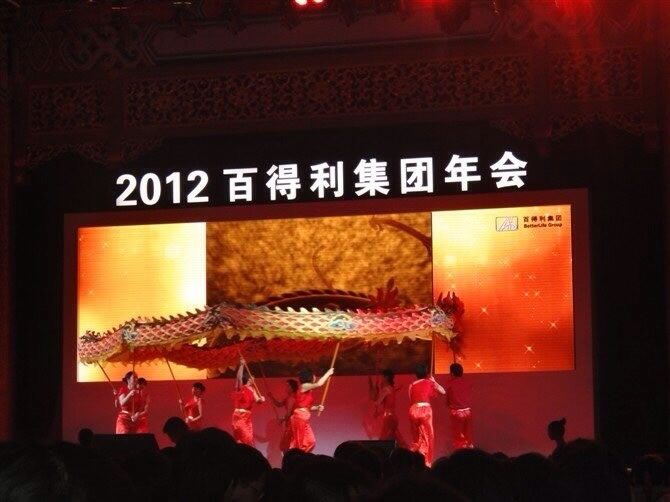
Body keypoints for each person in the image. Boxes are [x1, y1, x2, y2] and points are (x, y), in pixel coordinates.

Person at [288, 366, 334, 452]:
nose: (315, 376)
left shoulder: (308, 389)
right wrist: (328, 373)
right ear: (310, 376)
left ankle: (302, 456)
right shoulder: (304, 386)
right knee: (299, 444)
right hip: (299, 417)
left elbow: (306, 406)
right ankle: (297, 457)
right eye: (313, 375)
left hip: (304, 418)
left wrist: (317, 407)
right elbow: (319, 384)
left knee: (310, 441)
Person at [408, 363, 445, 466]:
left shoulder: (411, 385)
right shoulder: (429, 382)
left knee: (416, 439)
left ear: (416, 374)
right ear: (426, 373)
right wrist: (434, 382)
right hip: (425, 410)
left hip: (413, 410)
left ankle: (414, 460)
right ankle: (427, 463)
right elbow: (443, 392)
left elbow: (411, 400)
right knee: (428, 437)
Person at [231, 356, 265, 446]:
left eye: (253, 378)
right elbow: (238, 378)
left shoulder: (253, 389)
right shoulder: (241, 388)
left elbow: (258, 401)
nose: (252, 380)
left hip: (247, 417)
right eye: (250, 378)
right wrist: (241, 365)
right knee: (246, 439)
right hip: (239, 416)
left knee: (248, 438)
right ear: (247, 378)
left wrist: (262, 399)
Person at [372, 369, 405, 447]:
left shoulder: (386, 389)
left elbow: (377, 403)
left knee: (384, 439)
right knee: (395, 439)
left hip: (388, 419)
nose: (381, 379)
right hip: (392, 417)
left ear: (386, 377)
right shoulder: (391, 388)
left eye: (382, 377)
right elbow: (387, 407)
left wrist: (373, 398)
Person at [444, 363, 473, 450]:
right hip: (468, 412)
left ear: (452, 373)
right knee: (468, 436)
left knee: (458, 438)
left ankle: (460, 455)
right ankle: (470, 451)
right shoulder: (468, 382)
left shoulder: (450, 383)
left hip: (457, 413)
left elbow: (448, 400)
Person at [269, 379, 299, 453]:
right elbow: (279, 404)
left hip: (291, 424)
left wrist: (281, 420)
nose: (286, 388)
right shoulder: (289, 398)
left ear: (292, 388)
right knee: (288, 445)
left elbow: (289, 413)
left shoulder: (291, 398)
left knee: (287, 446)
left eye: (287, 386)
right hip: (291, 423)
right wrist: (271, 397)